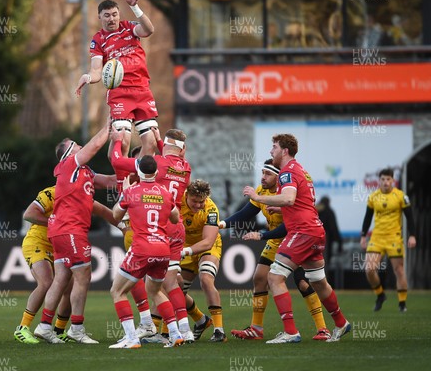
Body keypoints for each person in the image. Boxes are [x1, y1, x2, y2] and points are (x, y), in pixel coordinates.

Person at [243, 134, 350, 343]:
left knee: (274, 277)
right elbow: (302, 200)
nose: (270, 151)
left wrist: (258, 198)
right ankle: (340, 322)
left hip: (302, 232)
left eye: (273, 147)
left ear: (284, 151)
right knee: (318, 282)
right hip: (316, 230)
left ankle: (291, 332)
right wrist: (278, 205)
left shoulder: (286, 172)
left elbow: (290, 197)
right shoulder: (302, 171)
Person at [219, 160, 330, 341]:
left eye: (268, 174)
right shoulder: (262, 192)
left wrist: (262, 235)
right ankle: (256, 329)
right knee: (259, 278)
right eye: (262, 172)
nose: (263, 177)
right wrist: (222, 224)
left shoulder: (287, 193)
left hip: (296, 238)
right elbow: (245, 213)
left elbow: (289, 226)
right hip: (276, 240)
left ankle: (322, 328)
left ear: (279, 177)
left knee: (302, 283)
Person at [33, 118, 112, 344]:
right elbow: (95, 145)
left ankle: (44, 326)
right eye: (76, 144)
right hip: (70, 229)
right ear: (68, 152)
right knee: (83, 276)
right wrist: (109, 124)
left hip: (63, 229)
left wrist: (135, 175)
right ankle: (76, 328)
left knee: (62, 279)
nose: (81, 146)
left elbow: (108, 181)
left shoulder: (83, 171)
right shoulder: (70, 164)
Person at [110, 127, 193, 343]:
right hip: (172, 230)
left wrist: (118, 140)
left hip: (148, 234)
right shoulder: (185, 168)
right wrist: (158, 139)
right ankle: (183, 331)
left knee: (124, 286)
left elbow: (118, 161)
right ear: (182, 150)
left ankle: (141, 328)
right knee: (169, 284)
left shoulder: (150, 170)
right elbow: (169, 156)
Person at [74, 0, 158, 189]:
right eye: (106, 15)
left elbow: (149, 30)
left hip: (142, 89)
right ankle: (124, 185)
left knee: (152, 141)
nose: (111, 19)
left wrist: (135, 7)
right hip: (120, 92)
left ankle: (141, 181)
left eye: (114, 14)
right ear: (99, 17)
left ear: (119, 14)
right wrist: (87, 77)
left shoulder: (128, 27)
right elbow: (96, 70)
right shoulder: (98, 40)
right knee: (124, 140)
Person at [14, 185, 118, 344]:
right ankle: (22, 328)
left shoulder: (82, 195)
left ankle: (59, 330)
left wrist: (126, 228)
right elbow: (29, 215)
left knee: (68, 287)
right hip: (38, 242)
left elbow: (104, 212)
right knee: (46, 282)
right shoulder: (51, 193)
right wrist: (55, 224)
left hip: (59, 244)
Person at [360, 168, 416, 312]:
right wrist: (363, 236)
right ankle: (380, 295)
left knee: (399, 270)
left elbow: (410, 217)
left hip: (394, 238)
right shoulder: (373, 197)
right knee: (369, 269)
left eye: (388, 179)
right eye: (383, 179)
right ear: (379, 181)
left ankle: (402, 303)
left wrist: (412, 235)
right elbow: (367, 218)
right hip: (377, 237)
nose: (385, 182)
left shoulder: (400, 196)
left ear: (393, 180)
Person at [178, 179, 227, 342]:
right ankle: (201, 320)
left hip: (206, 246)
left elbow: (207, 242)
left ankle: (219, 331)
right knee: (176, 289)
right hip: (184, 246)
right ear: (187, 195)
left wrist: (185, 251)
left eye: (202, 201)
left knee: (206, 279)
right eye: (195, 201)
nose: (199, 205)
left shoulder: (211, 208)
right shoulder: (177, 201)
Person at [317, 196, 342, 266]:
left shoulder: (314, 210)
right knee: (325, 261)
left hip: (314, 239)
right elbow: (333, 227)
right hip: (326, 240)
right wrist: (339, 241)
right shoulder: (330, 211)